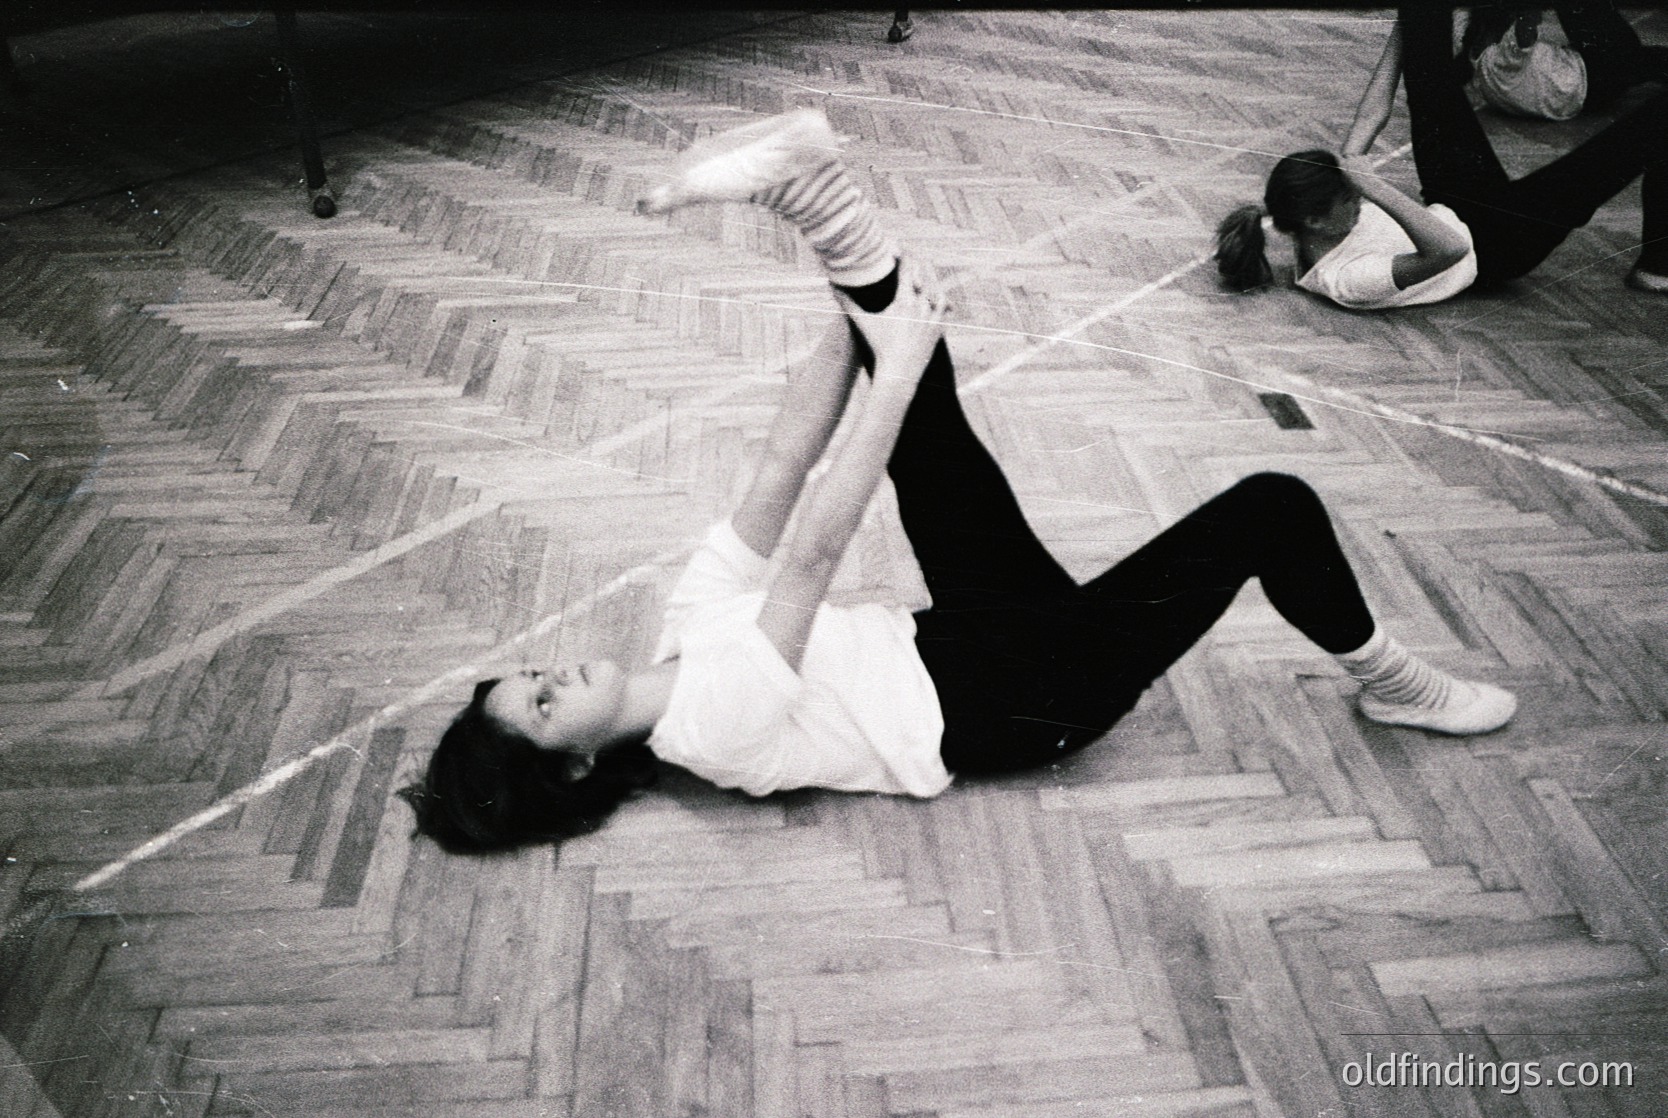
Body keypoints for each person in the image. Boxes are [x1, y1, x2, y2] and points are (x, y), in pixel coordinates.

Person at [400, 108, 1517, 854]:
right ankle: (1397, 684)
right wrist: (891, 364)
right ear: (576, 763)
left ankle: (817, 208)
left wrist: (851, 326)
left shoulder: (686, 627)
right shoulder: (707, 731)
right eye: (544, 704)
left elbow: (785, 465)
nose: (554, 673)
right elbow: (815, 552)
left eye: (529, 674)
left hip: (966, 633)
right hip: (1024, 702)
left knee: (907, 384)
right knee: (1273, 505)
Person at [1215, 4, 1668, 306]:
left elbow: (1373, 112)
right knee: (1641, 133)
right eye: (1352, 197)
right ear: (1316, 220)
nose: (1359, 198)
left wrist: (1409, 28)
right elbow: (1452, 248)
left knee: (1428, 61)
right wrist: (1372, 184)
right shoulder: (1346, 280)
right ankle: (1657, 268)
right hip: (1498, 245)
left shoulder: (1316, 212)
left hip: (1453, 202)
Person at [1459, 3, 1668, 121]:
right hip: (1597, 77)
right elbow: (1526, 27)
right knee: (1636, 57)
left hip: (1586, 91)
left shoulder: (1478, 64)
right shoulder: (1501, 54)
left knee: (1646, 61)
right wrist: (1525, 12)